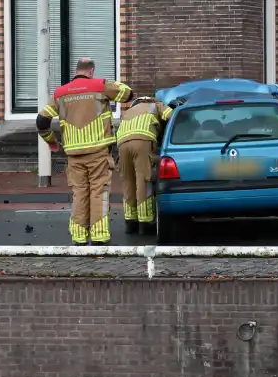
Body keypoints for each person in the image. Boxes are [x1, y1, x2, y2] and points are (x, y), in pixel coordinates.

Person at [36, 57, 133, 245]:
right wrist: (109, 83)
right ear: (91, 71)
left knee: (79, 193)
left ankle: (79, 237)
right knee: (99, 192)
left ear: (76, 71)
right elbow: (128, 94)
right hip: (98, 152)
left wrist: (52, 142)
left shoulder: (60, 93)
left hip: (73, 155)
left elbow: (41, 121)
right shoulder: (100, 86)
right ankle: (99, 237)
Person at [116, 94, 176, 235]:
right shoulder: (155, 105)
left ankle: (130, 222)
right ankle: (145, 222)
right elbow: (171, 116)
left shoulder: (127, 112)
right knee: (143, 180)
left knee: (128, 181)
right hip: (143, 141)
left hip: (122, 144)